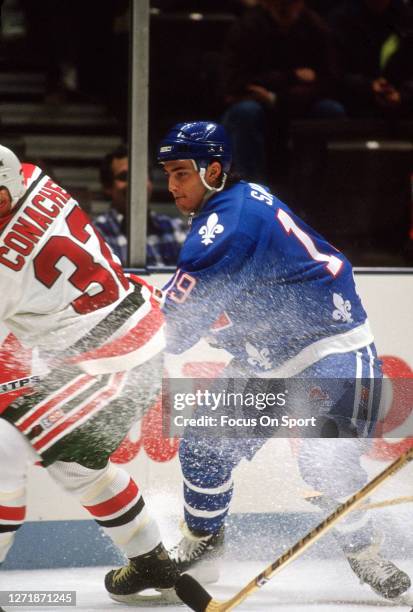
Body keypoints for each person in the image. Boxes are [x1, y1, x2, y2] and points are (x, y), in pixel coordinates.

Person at [155, 121, 411, 600]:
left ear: (214, 170)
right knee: (203, 449)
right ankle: (204, 542)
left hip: (331, 347)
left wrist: (127, 340)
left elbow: (177, 324)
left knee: (325, 459)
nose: (171, 185)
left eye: (181, 173)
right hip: (264, 359)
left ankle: (364, 552)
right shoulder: (233, 202)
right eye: (167, 173)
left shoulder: (227, 225)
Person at [0, 145, 181, 604]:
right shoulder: (34, 177)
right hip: (137, 328)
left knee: (2, 451)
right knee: (75, 465)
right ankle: (150, 559)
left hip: (110, 358)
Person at [220, 0, 345, 184]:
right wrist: (292, 77)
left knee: (331, 111)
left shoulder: (315, 28)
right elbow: (233, 82)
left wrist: (275, 97)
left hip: (297, 103)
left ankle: (316, 192)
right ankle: (253, 193)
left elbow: (330, 81)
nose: (284, 6)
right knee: (245, 112)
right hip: (259, 106)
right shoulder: (248, 27)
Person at [94, 145, 187, 267]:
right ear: (107, 187)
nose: (135, 183)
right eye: (125, 177)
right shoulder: (96, 235)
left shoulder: (176, 229)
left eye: (142, 174)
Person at [328, 0, 413, 118]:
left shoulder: (407, 18)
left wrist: (402, 95)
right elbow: (335, 73)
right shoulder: (342, 19)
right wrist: (369, 86)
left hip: (402, 101)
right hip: (356, 102)